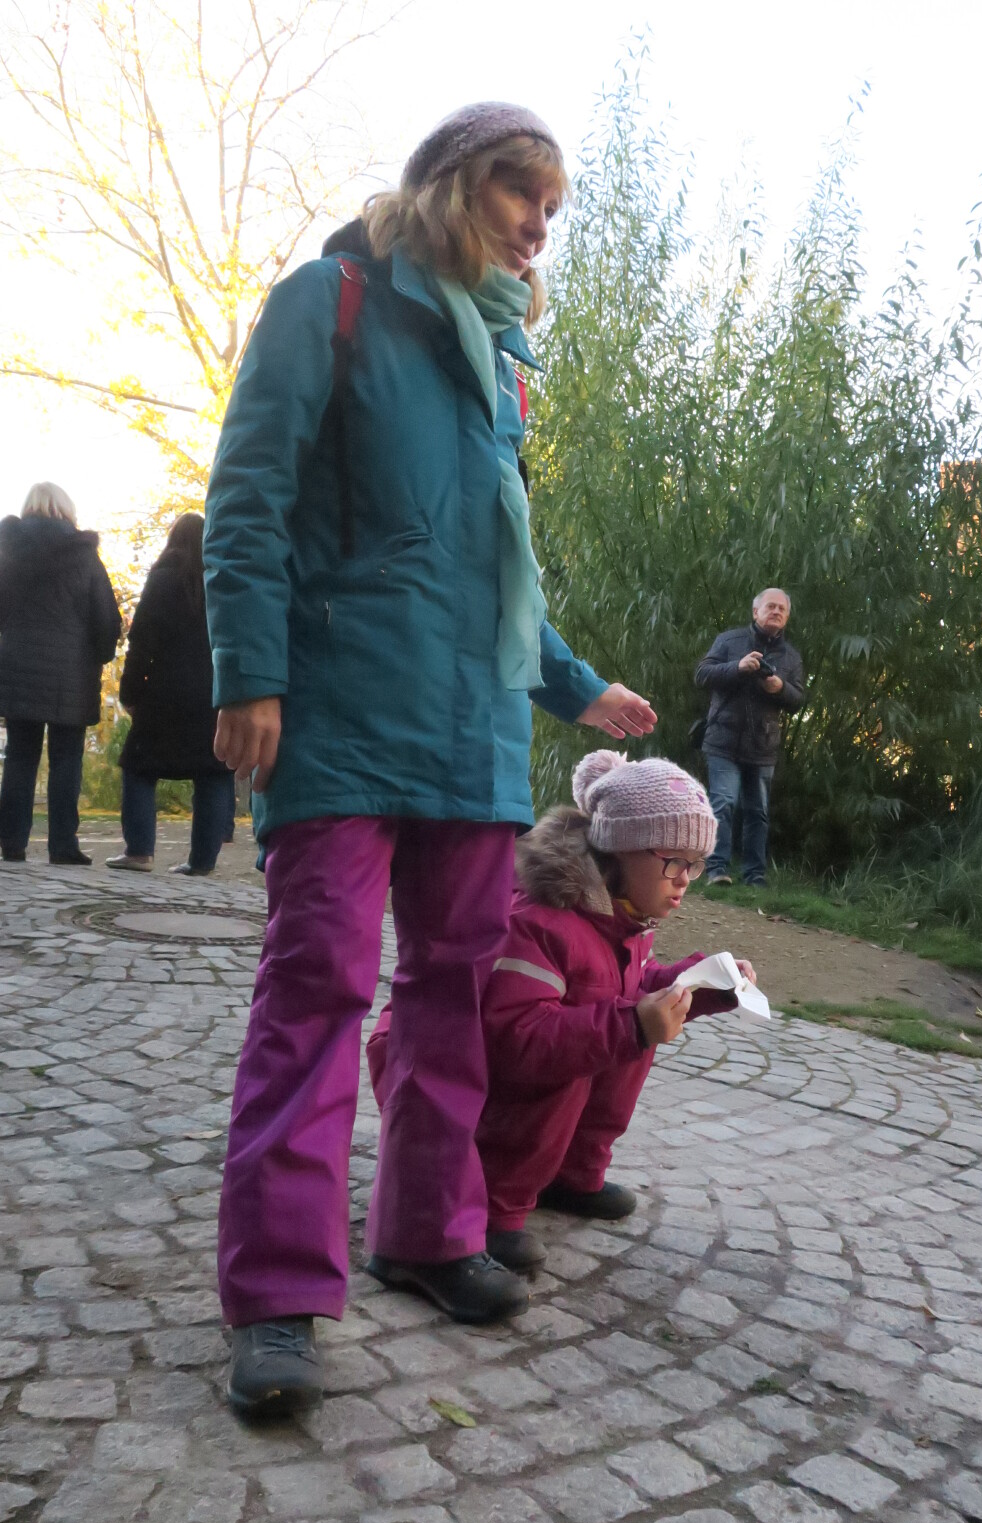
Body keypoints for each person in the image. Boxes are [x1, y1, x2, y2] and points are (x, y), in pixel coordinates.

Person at [204, 102, 656, 1416]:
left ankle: (428, 1229)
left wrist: (577, 686)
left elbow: (495, 566)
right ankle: (278, 1293)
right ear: (455, 183)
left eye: (552, 209)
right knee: (316, 994)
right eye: (522, 194)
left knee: (453, 996)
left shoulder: (499, 359)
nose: (538, 228)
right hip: (342, 714)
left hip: (475, 734)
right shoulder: (332, 301)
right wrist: (250, 675)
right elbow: (248, 497)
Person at [367, 752, 754, 1272]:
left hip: (509, 1056)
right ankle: (493, 1206)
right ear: (621, 848)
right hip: (438, 1062)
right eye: (674, 861)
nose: (685, 879)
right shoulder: (541, 918)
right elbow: (517, 1040)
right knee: (601, 1038)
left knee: (629, 1028)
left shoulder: (623, 915)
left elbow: (629, 988)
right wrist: (633, 1023)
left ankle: (571, 1174)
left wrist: (702, 984)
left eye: (696, 863)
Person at [105, 513, 235, 877]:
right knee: (213, 771)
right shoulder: (222, 579)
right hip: (214, 693)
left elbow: (140, 642)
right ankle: (203, 861)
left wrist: (130, 692)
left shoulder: (161, 579)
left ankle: (139, 851)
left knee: (139, 766)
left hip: (163, 693)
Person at [0, 483, 121, 866]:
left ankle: (12, 842)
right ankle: (63, 845)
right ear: (67, 510)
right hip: (72, 674)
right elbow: (107, 618)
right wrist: (100, 655)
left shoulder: (7, 552)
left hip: (17, 669)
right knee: (67, 759)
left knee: (19, 756)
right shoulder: (85, 557)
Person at [695, 587, 806, 886]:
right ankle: (716, 869)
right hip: (723, 739)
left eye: (782, 609)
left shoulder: (791, 656)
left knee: (758, 813)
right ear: (756, 611)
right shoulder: (729, 641)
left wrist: (780, 688)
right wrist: (738, 667)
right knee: (723, 803)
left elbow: (797, 700)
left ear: (787, 617)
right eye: (771, 606)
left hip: (763, 745)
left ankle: (754, 876)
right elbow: (702, 674)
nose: (776, 611)